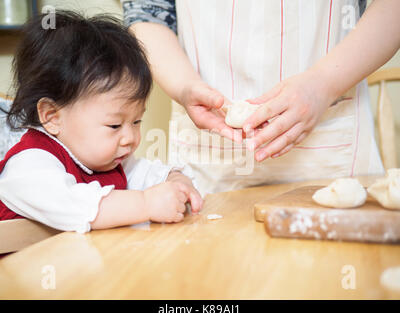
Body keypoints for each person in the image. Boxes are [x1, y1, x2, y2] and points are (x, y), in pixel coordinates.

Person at [123, 0, 400, 196]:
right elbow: (147, 12)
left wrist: (324, 84)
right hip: (207, 157)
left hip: (332, 148)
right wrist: (185, 86)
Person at [0, 10, 203, 233]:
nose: (130, 138)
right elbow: (76, 205)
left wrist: (176, 181)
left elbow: (146, 174)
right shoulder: (29, 166)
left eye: (136, 121)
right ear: (51, 116)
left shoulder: (107, 160)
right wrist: (146, 203)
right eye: (114, 125)